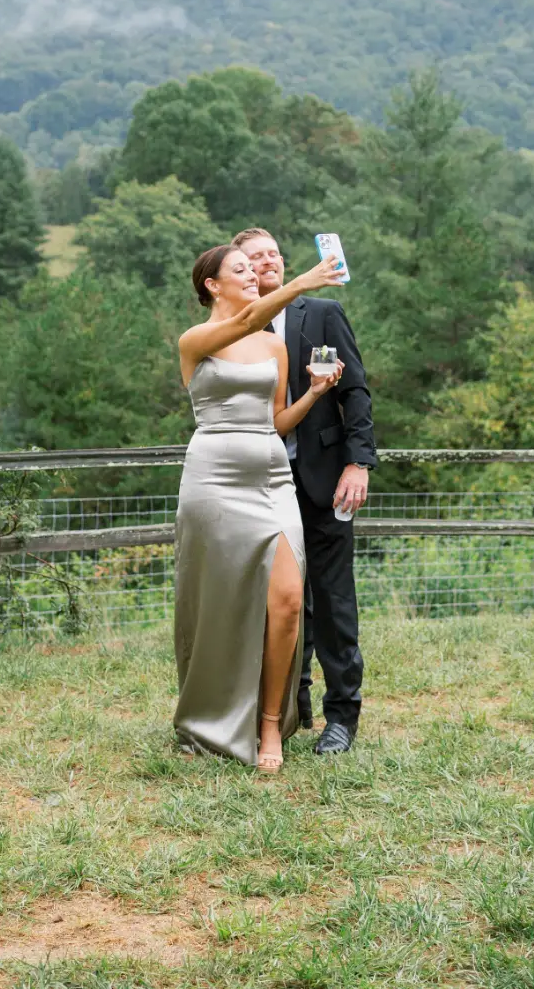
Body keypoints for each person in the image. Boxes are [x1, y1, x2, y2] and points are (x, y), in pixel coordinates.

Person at [174, 243, 345, 772]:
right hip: (213, 477)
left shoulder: (274, 347)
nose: (254, 275)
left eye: (256, 268)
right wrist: (301, 283)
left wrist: (314, 394)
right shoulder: (196, 340)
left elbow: (274, 422)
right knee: (217, 602)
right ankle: (209, 715)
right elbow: (248, 317)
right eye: (241, 269)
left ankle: (271, 722)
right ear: (211, 285)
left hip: (270, 476)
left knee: (289, 599)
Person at [233, 228, 376, 755]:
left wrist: (358, 463)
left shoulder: (322, 313)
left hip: (325, 479)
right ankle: (293, 707)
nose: (266, 261)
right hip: (263, 485)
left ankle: (343, 716)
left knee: (334, 598)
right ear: (238, 271)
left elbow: (355, 390)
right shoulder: (237, 329)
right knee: (283, 603)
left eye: (273, 253)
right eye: (253, 257)